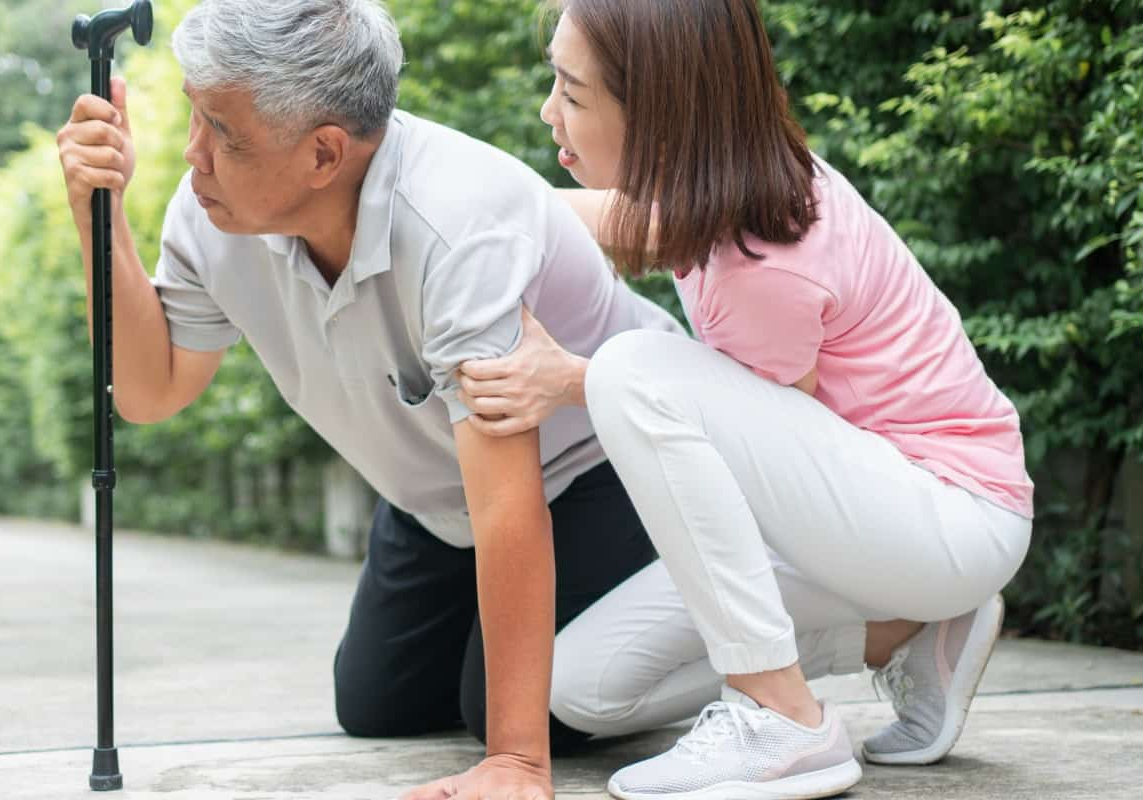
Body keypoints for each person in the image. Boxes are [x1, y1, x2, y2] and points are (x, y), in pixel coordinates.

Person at [55, 1, 687, 797]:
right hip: (435, 498)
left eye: (224, 131)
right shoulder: (213, 213)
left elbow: (507, 504)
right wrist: (99, 215)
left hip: (605, 468)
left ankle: (758, 613)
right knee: (377, 705)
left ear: (324, 153)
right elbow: (151, 391)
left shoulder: (457, 223)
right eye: (193, 116)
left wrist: (515, 762)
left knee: (514, 712)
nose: (194, 156)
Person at [456, 2, 1034, 797]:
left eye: (572, 93)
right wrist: (460, 202)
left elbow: (749, 436)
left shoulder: (768, 256)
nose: (548, 111)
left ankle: (782, 719)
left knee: (633, 366)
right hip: (861, 513)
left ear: (659, 115)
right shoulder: (729, 193)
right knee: (579, 691)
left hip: (949, 514)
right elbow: (592, 222)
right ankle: (899, 631)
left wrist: (572, 378)